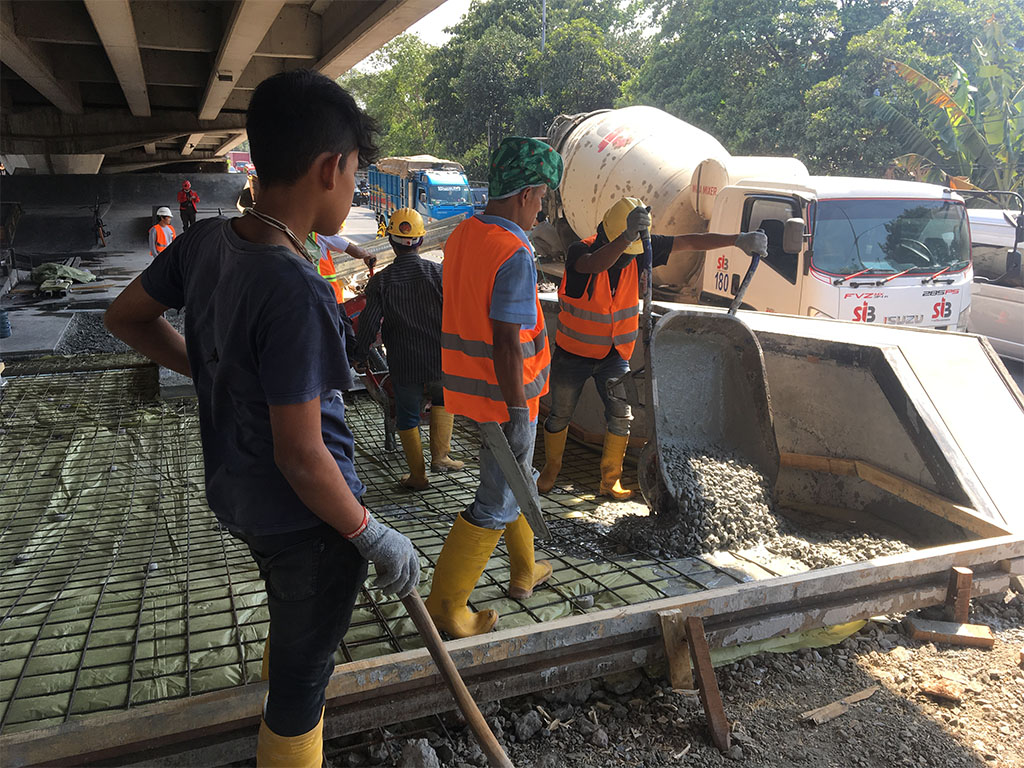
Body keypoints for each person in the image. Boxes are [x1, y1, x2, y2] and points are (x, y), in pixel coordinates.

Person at [103, 70, 420, 768]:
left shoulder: (207, 243)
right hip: (308, 524)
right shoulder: (296, 288)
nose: (356, 188)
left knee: (294, 623)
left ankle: (291, 647)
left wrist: (213, 369)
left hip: (238, 496)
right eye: (357, 174)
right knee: (302, 690)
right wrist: (372, 534)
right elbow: (303, 457)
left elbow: (124, 316)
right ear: (330, 167)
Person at [536, 197, 768, 499]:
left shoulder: (639, 247)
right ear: (609, 233)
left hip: (614, 354)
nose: (627, 257)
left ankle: (610, 481)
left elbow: (688, 241)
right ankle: (550, 471)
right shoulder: (583, 250)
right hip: (573, 354)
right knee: (560, 415)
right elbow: (596, 264)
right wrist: (627, 238)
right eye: (625, 243)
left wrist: (737, 240)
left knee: (621, 415)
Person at [424, 136, 562, 639]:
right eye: (542, 197)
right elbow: (506, 341)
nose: (541, 208)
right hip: (507, 398)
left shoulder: (465, 233)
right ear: (525, 194)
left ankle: (524, 572)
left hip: (473, 390)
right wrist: (520, 409)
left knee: (515, 481)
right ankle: (448, 608)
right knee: (496, 498)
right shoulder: (514, 253)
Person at [352, 208, 463, 491]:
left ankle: (418, 476)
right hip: (440, 358)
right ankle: (441, 457)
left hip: (404, 362)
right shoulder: (438, 273)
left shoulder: (382, 281)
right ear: (421, 241)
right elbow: (457, 313)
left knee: (407, 417)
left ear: (391, 241)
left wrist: (360, 356)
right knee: (443, 401)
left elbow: (367, 323)